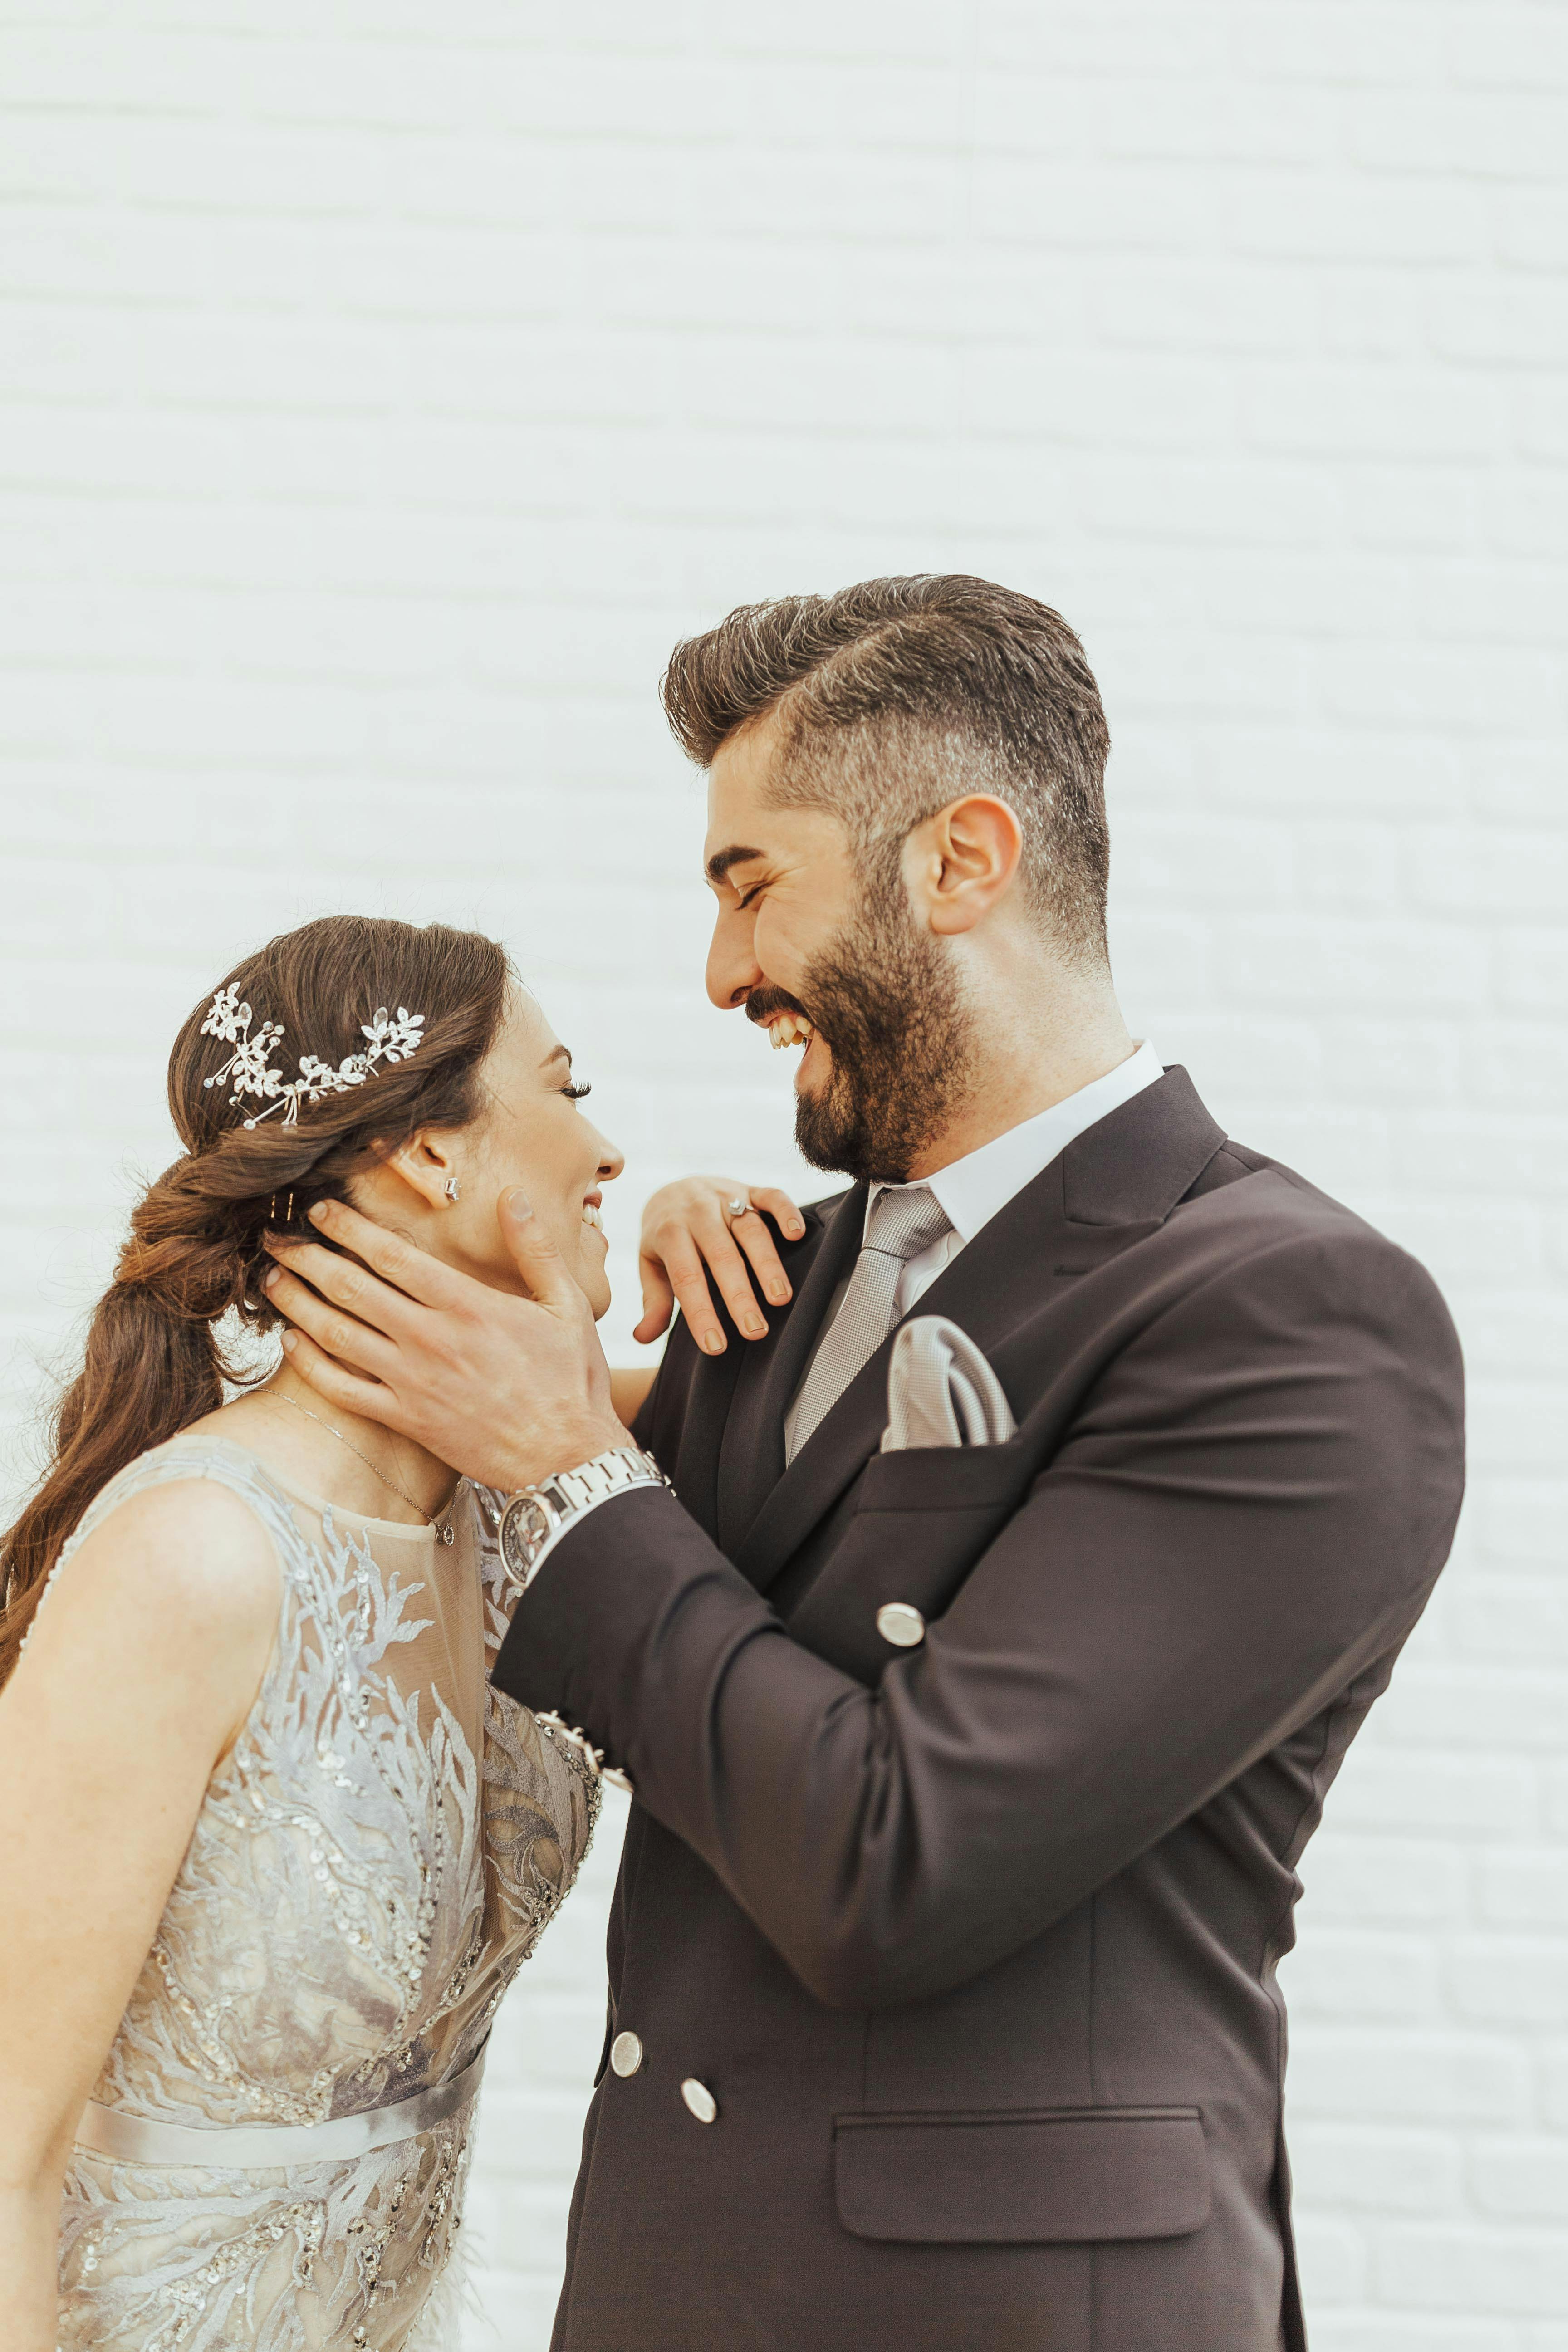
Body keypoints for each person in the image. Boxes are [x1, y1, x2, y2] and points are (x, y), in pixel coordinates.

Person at [264, 577, 1467, 2352]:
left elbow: (892, 1870)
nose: (723, 971)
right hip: (673, 2290)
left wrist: (571, 1458)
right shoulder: (775, 1281)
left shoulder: (1293, 1315)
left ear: (960, 863)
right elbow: (602, 1589)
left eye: (754, 886)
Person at [0, 911, 801, 2352]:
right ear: (434, 1155)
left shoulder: (522, 1501)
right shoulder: (195, 1556)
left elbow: (738, 1434)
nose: (606, 1152)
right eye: (570, 1090)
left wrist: (716, 1234)